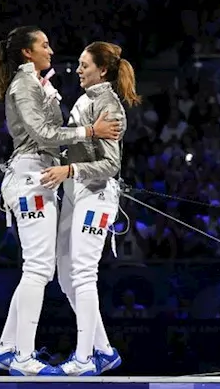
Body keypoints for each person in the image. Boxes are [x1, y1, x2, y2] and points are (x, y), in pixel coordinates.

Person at [0, 26, 123, 376]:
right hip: (34, 178)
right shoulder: (25, 85)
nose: (51, 49)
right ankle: (22, 358)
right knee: (39, 269)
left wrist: (72, 164)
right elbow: (44, 135)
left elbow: (104, 158)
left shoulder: (43, 85)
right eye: (44, 44)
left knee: (57, 272)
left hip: (54, 180)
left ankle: (8, 348)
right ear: (28, 52)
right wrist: (91, 132)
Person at [41, 41, 140, 376]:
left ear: (103, 70)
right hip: (74, 194)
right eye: (80, 64)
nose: (79, 70)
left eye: (85, 65)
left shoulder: (109, 106)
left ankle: (83, 360)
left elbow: (110, 165)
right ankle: (103, 350)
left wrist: (69, 170)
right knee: (66, 277)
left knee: (83, 274)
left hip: (96, 195)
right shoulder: (86, 100)